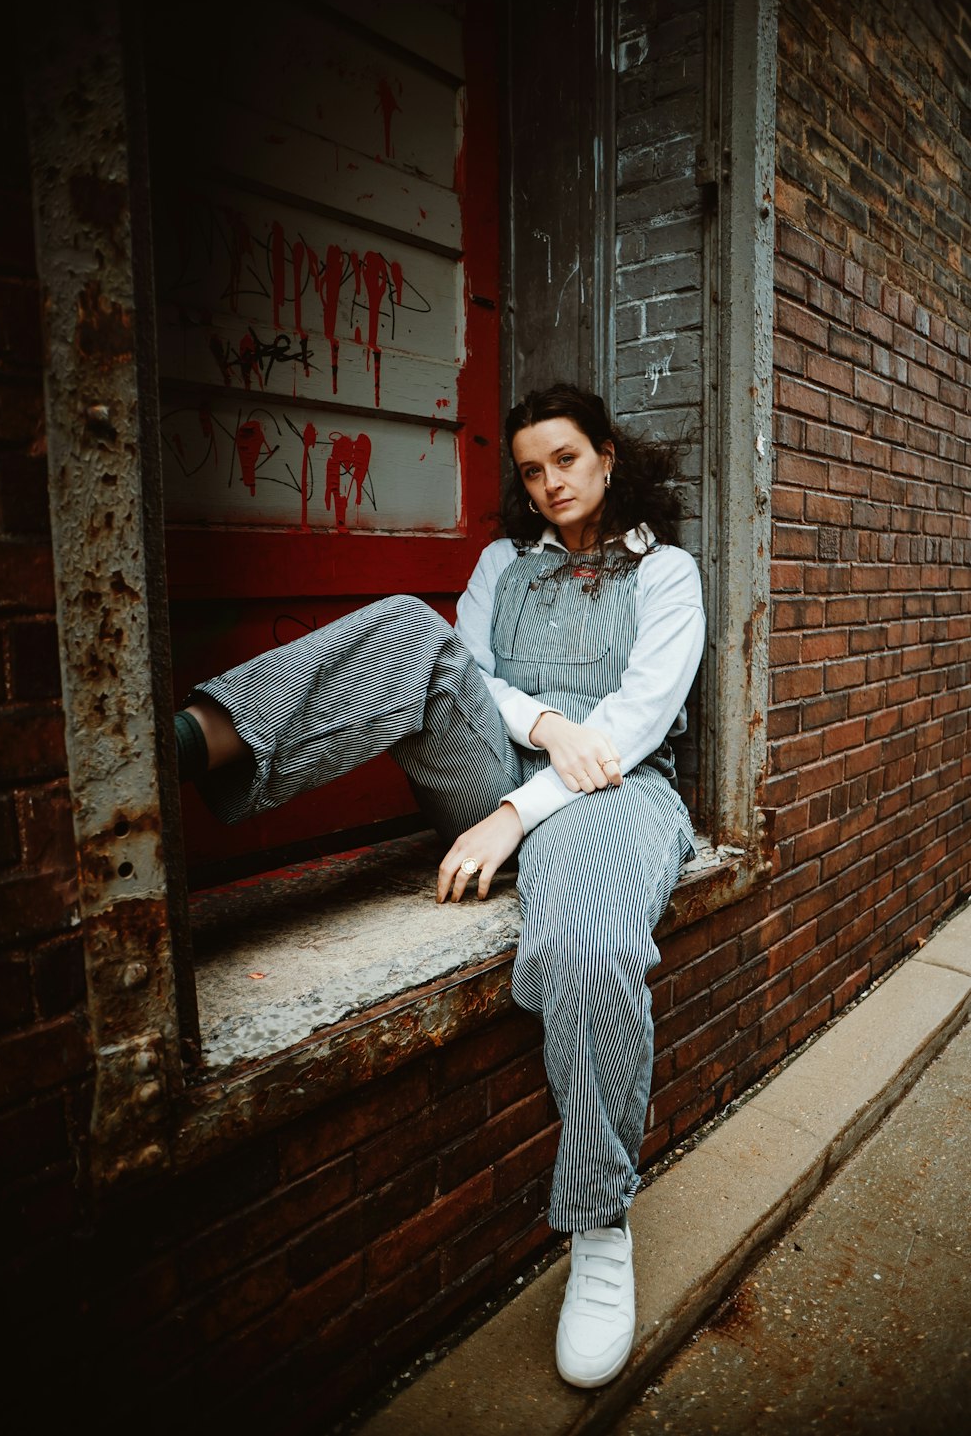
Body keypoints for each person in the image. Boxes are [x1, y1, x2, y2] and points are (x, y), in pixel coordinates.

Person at [173, 383, 705, 1389]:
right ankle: (196, 741)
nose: (547, 484)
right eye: (530, 469)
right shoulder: (503, 563)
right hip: (499, 763)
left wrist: (518, 813)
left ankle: (597, 1223)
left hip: (614, 790)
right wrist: (541, 729)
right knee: (412, 631)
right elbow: (467, 671)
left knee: (586, 946)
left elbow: (637, 718)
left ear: (607, 457)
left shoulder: (665, 573)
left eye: (565, 459)